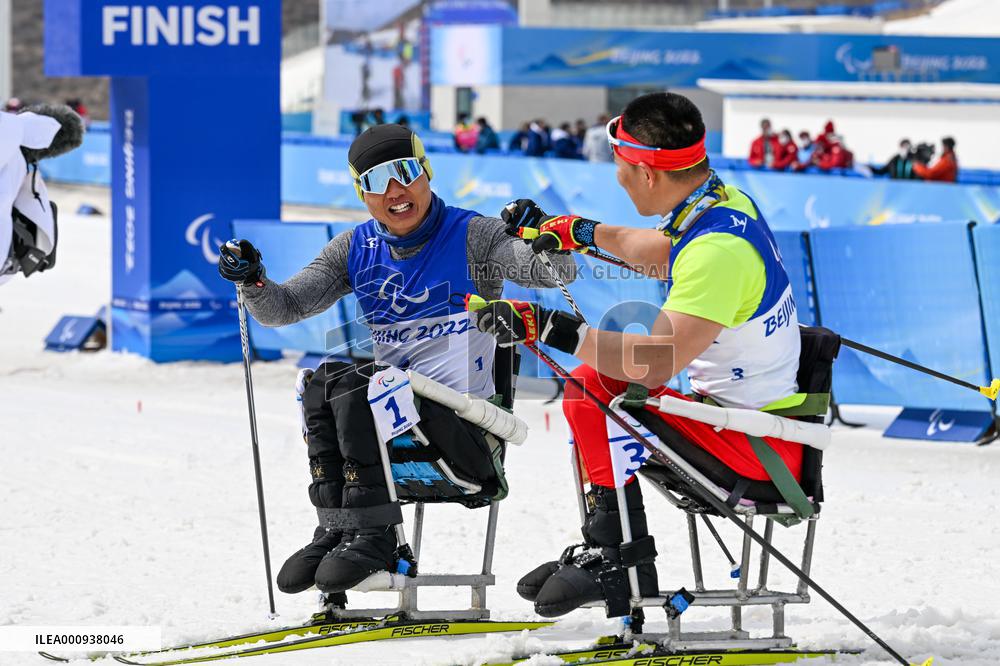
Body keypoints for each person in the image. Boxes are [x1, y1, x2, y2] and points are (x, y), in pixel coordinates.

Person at [470, 92, 805, 617]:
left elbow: (652, 363)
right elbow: (663, 253)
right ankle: (613, 552)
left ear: (648, 173)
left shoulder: (718, 255)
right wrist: (577, 231)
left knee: (593, 389)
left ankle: (617, 560)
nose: (617, 178)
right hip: (742, 424)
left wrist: (547, 328)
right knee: (595, 387)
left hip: (758, 449)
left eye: (620, 166)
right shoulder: (719, 200)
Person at [217, 124, 575, 597]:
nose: (394, 191)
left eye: (403, 172)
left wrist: (544, 233)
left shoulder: (475, 235)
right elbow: (287, 308)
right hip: (392, 428)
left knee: (357, 383)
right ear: (361, 193)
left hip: (465, 431)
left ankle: (376, 536)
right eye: (375, 181)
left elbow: (553, 272)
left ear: (426, 171)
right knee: (324, 380)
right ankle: (341, 524)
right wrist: (254, 281)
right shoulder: (354, 248)